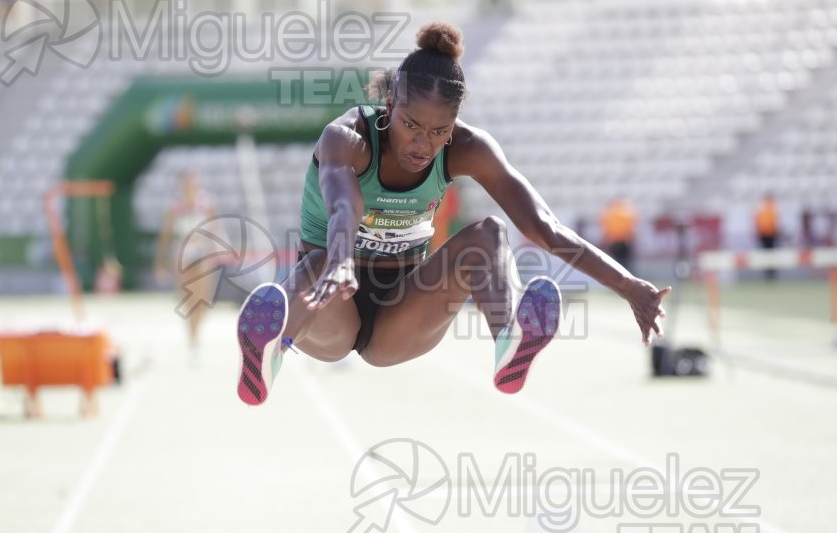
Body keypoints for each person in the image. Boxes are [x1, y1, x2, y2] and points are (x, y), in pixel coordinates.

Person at [235, 22, 671, 406]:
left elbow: (543, 226)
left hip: (402, 313)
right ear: (390, 107)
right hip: (330, 310)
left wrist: (629, 286)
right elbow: (344, 205)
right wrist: (342, 261)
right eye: (411, 126)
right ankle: (269, 347)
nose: (422, 145)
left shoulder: (468, 149)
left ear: (455, 125)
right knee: (318, 264)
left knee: (489, 234)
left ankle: (510, 339)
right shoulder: (346, 138)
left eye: (438, 131)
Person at [154, 171, 220, 360]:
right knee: (189, 300)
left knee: (204, 300)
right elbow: (165, 236)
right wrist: (159, 263)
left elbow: (215, 229)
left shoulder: (207, 204)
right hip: (182, 254)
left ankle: (196, 335)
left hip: (203, 252)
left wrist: (217, 248)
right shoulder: (174, 208)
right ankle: (192, 340)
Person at [600, 196, 637, 272]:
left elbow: (607, 230)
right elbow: (631, 229)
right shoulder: (626, 213)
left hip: (615, 241)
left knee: (617, 262)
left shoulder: (609, 214)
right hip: (625, 241)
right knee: (626, 262)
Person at [754, 193, 779, 281]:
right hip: (764, 234)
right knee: (766, 254)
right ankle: (767, 274)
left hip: (771, 234)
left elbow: (775, 222)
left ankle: (771, 274)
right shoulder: (763, 208)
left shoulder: (772, 208)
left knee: (770, 254)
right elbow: (758, 221)